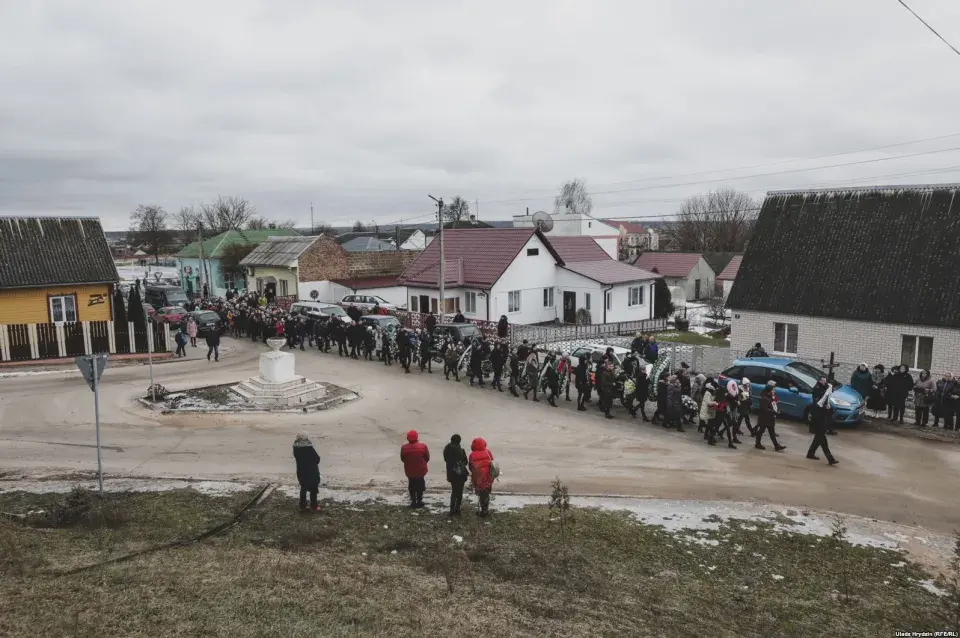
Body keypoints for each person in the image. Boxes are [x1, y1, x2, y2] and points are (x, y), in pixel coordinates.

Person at [807, 382, 838, 465]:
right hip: (820, 426)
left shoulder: (822, 404)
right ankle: (830, 459)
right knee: (823, 443)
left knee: (818, 441)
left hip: (821, 426)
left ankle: (810, 453)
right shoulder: (818, 406)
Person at [400, 430, 429, 508]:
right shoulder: (423, 446)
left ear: (407, 438)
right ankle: (419, 500)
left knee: (411, 485)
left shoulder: (404, 448)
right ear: (417, 437)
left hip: (410, 471)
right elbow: (427, 457)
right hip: (421, 470)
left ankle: (413, 501)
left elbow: (402, 459)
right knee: (420, 485)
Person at [293, 432, 321, 511]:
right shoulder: (309, 448)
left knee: (303, 488)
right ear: (305, 439)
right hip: (312, 472)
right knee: (313, 489)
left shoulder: (295, 448)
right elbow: (317, 459)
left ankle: (302, 505)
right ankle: (314, 506)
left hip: (301, 472)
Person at [468, 437, 495, 517]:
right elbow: (492, 462)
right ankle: (485, 509)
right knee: (486, 493)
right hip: (488, 477)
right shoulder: (488, 452)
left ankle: (483, 510)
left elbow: (471, 467)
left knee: (481, 493)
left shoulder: (472, 455)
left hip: (478, 478)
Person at [754, 382, 785, 451]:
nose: (774, 391)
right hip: (764, 418)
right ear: (769, 391)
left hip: (769, 418)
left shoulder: (769, 397)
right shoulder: (764, 398)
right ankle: (757, 443)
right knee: (761, 431)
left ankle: (776, 446)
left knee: (771, 432)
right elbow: (765, 409)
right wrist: (774, 412)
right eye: (773, 390)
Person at [443, 434, 469, 517]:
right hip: (460, 474)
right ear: (459, 441)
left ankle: (451, 509)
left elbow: (445, 459)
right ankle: (457, 508)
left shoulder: (447, 449)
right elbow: (465, 462)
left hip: (451, 473)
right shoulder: (461, 451)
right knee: (459, 491)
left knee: (454, 490)